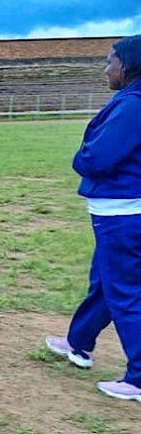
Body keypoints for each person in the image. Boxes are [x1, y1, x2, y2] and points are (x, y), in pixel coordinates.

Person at [45, 35, 141, 403]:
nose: (106, 69)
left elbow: (96, 157)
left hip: (124, 214)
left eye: (109, 61)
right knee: (104, 283)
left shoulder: (132, 105)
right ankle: (78, 343)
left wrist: (81, 159)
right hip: (118, 211)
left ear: (128, 65)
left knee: (126, 291)